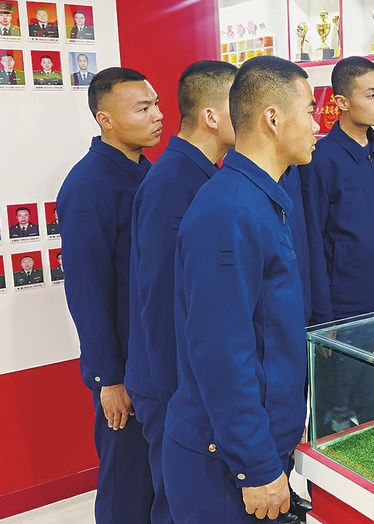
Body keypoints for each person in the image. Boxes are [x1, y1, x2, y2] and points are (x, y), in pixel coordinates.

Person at [164, 55, 317, 524]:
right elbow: (221, 352)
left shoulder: (260, 198)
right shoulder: (230, 211)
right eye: (310, 111)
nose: (317, 125)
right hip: (224, 463)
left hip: (257, 443)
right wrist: (256, 464)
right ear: (273, 118)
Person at [128, 60, 237, 524]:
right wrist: (181, 399)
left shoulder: (202, 173)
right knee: (178, 506)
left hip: (188, 385)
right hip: (171, 385)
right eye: (239, 104)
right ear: (211, 116)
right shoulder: (174, 181)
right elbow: (159, 298)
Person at [58, 67, 162, 524]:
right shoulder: (89, 185)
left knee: (157, 481)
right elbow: (87, 290)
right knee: (126, 483)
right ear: (105, 119)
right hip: (124, 368)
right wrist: (109, 379)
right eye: (142, 108)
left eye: (156, 104)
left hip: (153, 358)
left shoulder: (145, 171)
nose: (157, 116)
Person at [300, 56, 374, 433]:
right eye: (370, 94)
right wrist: (323, 319)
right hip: (340, 313)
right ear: (341, 102)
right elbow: (313, 240)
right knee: (334, 415)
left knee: (370, 406)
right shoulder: (319, 159)